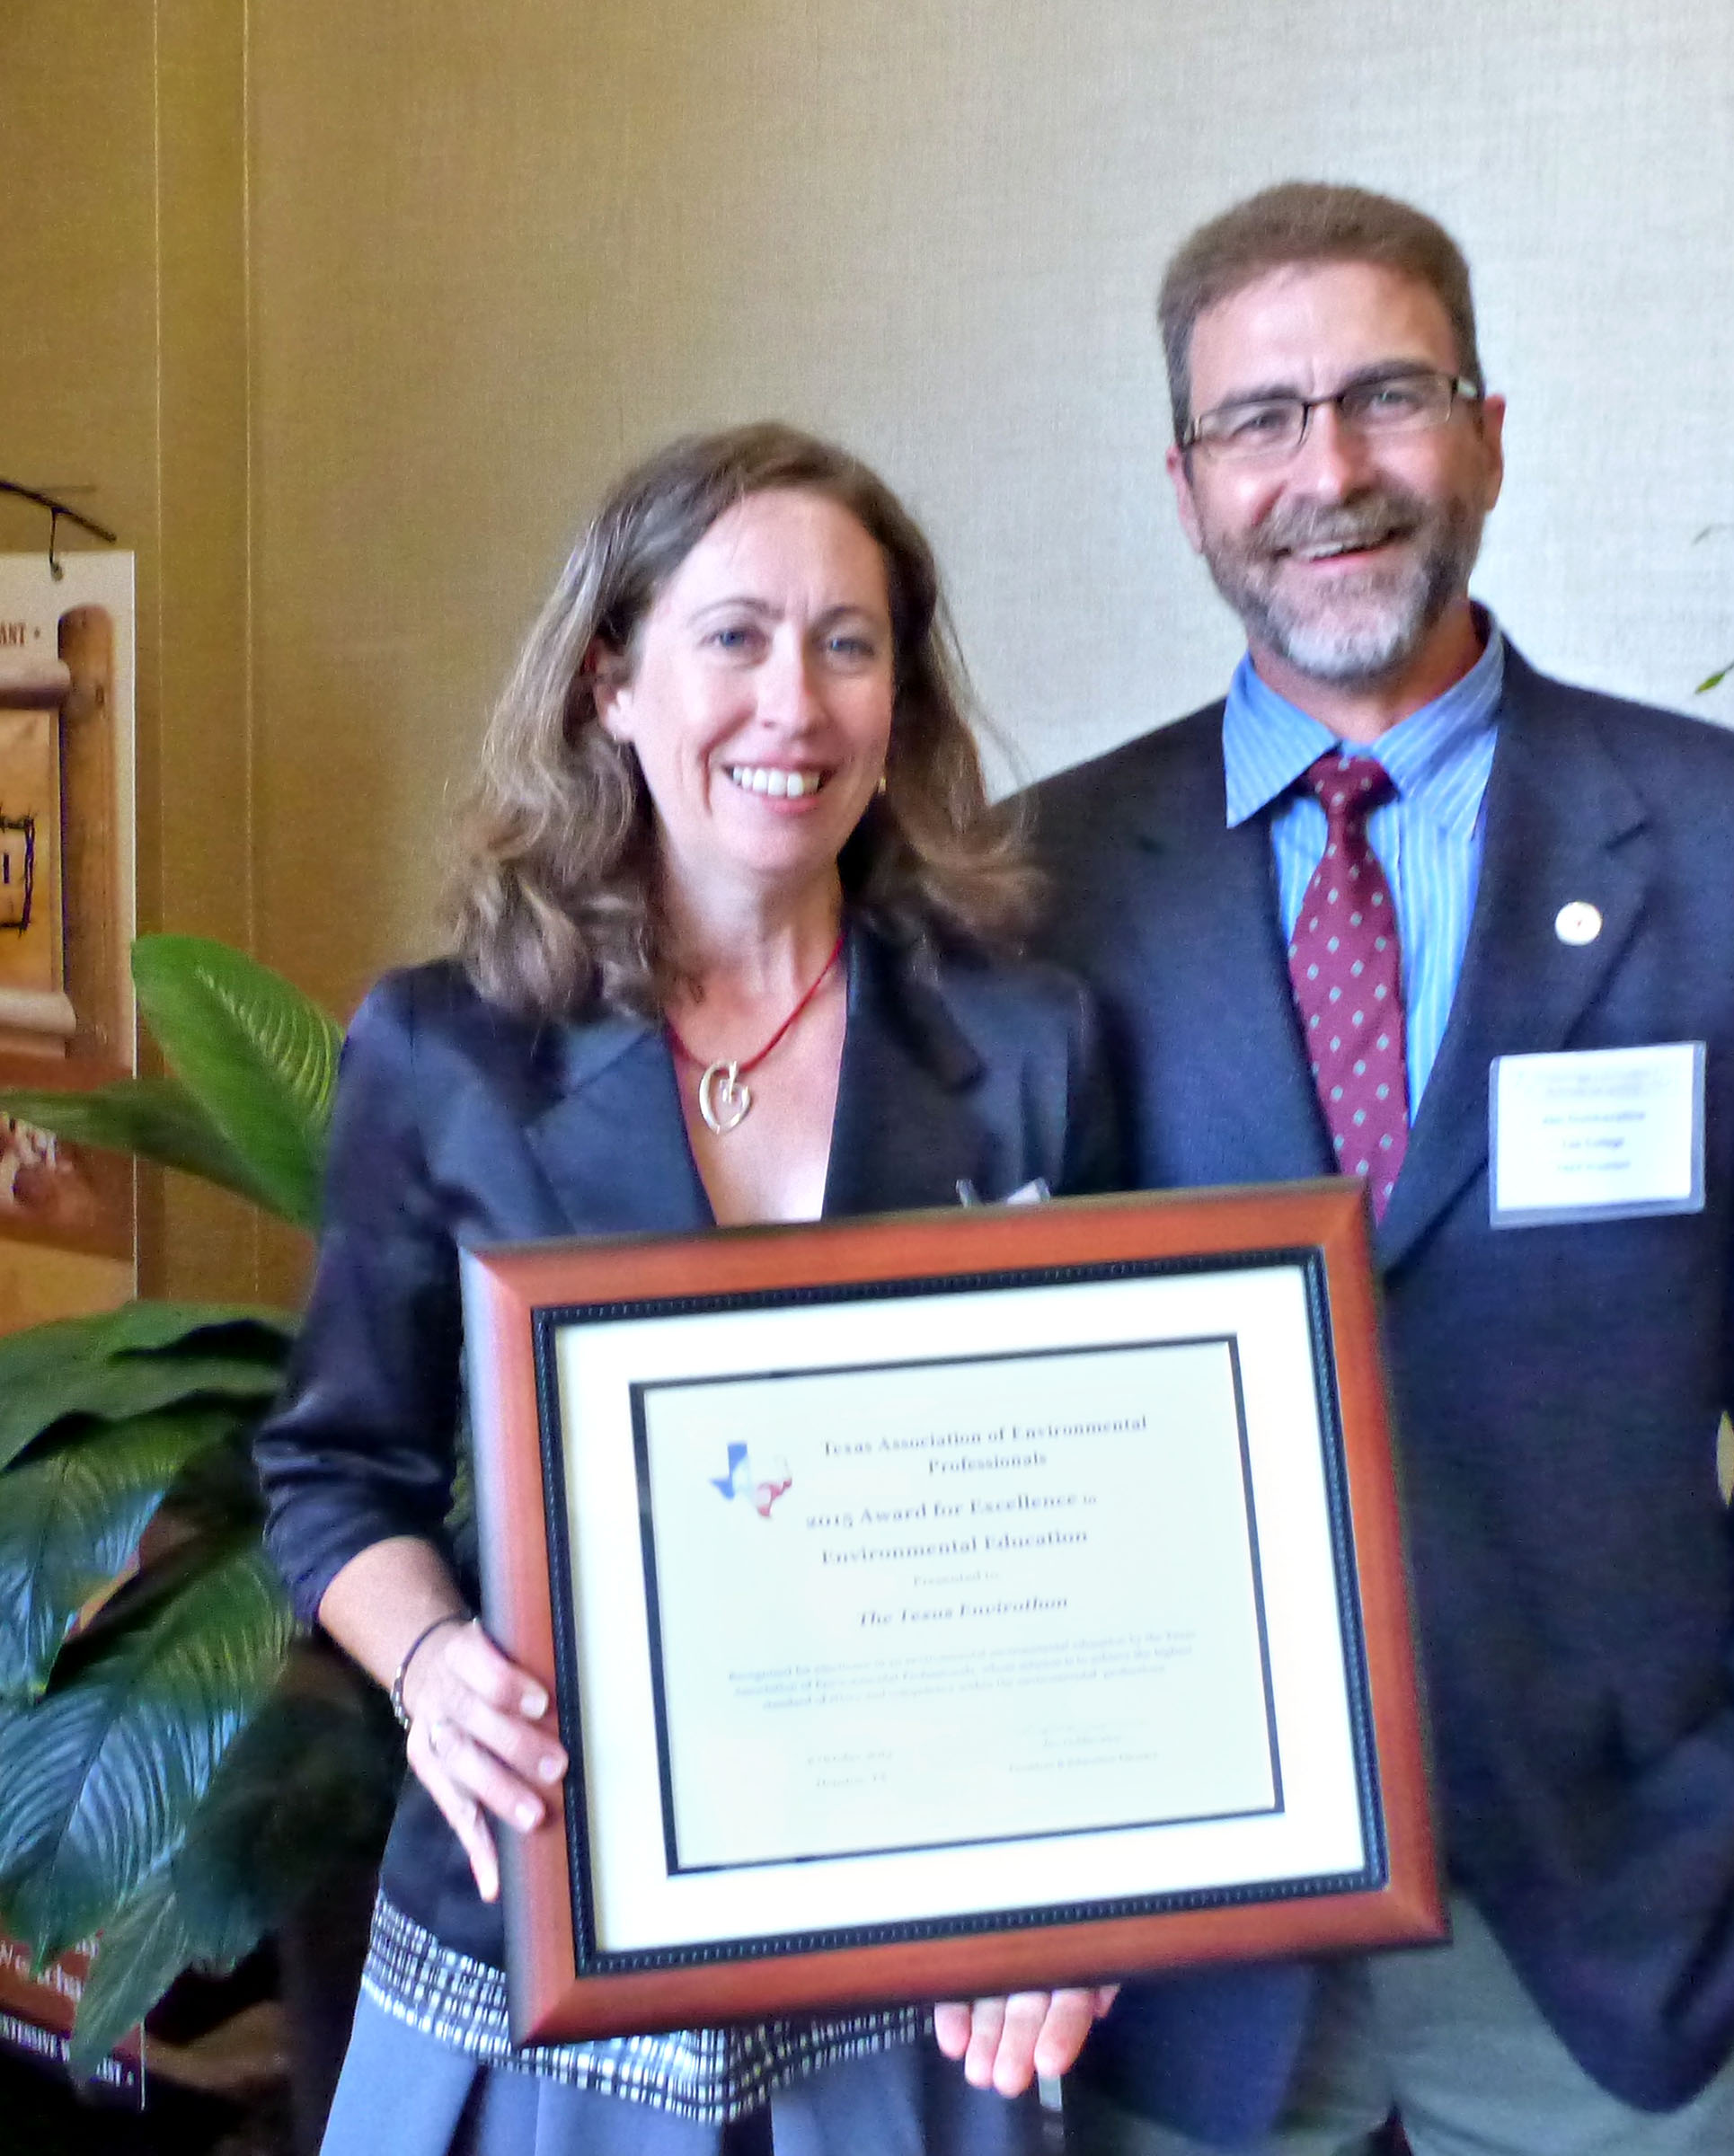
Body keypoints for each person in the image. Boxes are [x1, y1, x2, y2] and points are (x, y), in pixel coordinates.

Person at [1027, 183, 1734, 2155]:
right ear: (1185, 485)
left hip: (1611, 1925)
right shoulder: (1037, 885)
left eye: (1385, 397)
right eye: (1259, 421)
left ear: (1490, 431)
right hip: (1174, 1947)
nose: (1327, 470)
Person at [254, 423, 1119, 2155]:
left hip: (919, 1960)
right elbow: (331, 1469)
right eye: (732, 636)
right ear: (610, 684)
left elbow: (1089, 1517)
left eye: (848, 644)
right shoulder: (444, 1049)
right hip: (542, 1937)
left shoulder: (1029, 1046)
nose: (792, 703)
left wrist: (1086, 1888)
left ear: (900, 703)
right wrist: (428, 1665)